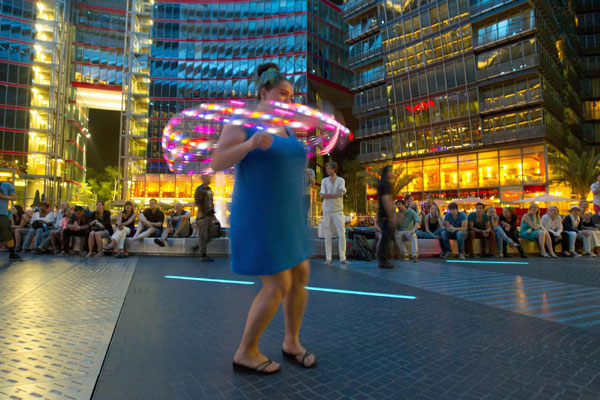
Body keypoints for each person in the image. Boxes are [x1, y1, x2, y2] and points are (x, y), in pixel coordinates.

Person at [211, 63, 314, 375]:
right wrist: (250, 143)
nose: (288, 100)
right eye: (282, 93)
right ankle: (246, 351)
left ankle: (291, 342)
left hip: (288, 215)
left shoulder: (286, 127)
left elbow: (285, 159)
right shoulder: (243, 121)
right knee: (278, 283)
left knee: (300, 276)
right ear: (263, 93)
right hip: (259, 215)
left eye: (291, 96)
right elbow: (218, 161)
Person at [320, 161, 349, 265]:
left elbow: (341, 193)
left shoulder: (341, 180)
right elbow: (322, 195)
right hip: (327, 210)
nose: (327, 170)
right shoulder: (324, 181)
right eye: (326, 168)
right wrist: (335, 195)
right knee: (328, 234)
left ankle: (343, 258)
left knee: (342, 233)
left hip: (338, 210)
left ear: (334, 169)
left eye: (329, 168)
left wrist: (329, 195)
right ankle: (328, 258)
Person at [192, 173, 216, 262]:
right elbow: (198, 203)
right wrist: (201, 217)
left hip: (209, 215)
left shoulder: (208, 189)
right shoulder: (200, 189)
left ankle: (198, 246)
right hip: (203, 216)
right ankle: (203, 255)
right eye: (209, 178)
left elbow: (210, 203)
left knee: (212, 233)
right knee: (203, 235)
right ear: (204, 179)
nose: (210, 179)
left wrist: (213, 215)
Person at [376, 166, 396, 268]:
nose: (392, 173)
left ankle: (383, 259)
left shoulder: (380, 183)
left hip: (382, 214)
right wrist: (392, 216)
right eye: (391, 171)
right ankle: (383, 260)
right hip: (386, 215)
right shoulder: (386, 184)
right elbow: (386, 199)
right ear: (387, 172)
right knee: (386, 237)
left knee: (385, 237)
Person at [0, 181, 22, 261]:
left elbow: (14, 197)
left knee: (8, 234)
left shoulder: (6, 185)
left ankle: (12, 253)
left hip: (2, 214)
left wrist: (2, 196)